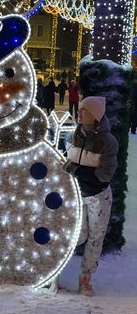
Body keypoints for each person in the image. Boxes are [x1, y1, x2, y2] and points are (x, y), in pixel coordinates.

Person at [61, 96, 119, 296]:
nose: (80, 112)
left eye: (85, 110)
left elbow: (104, 175)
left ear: (95, 115)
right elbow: (63, 164)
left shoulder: (108, 142)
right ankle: (54, 271)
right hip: (75, 194)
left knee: (95, 238)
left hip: (98, 196)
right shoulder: (72, 136)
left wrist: (76, 170)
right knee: (77, 234)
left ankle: (85, 279)